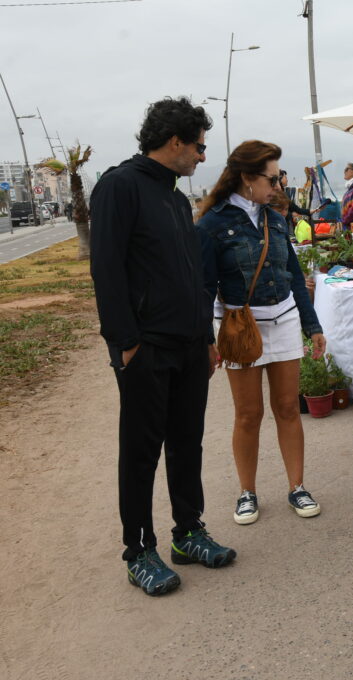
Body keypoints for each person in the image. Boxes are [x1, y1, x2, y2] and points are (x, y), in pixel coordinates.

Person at [90, 96, 235, 597]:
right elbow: (105, 269)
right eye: (198, 146)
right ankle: (139, 549)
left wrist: (207, 337)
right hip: (145, 347)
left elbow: (192, 275)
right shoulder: (119, 186)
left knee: (186, 443)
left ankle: (187, 532)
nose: (201, 156)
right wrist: (125, 343)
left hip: (191, 345)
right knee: (140, 452)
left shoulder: (175, 198)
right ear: (175, 141)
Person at [196, 140, 327, 527]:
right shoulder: (212, 225)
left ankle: (297, 486)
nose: (278, 186)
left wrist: (312, 326)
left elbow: (293, 278)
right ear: (246, 178)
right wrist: (207, 340)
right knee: (248, 414)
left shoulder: (274, 218)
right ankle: (247, 492)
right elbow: (203, 289)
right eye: (272, 179)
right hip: (240, 327)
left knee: (288, 408)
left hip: (283, 319)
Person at [278, 170, 311, 236]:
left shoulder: (284, 195)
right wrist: (291, 214)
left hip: (286, 225)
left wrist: (314, 210)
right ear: (280, 179)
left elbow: (298, 209)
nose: (287, 180)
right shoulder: (275, 196)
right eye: (285, 177)